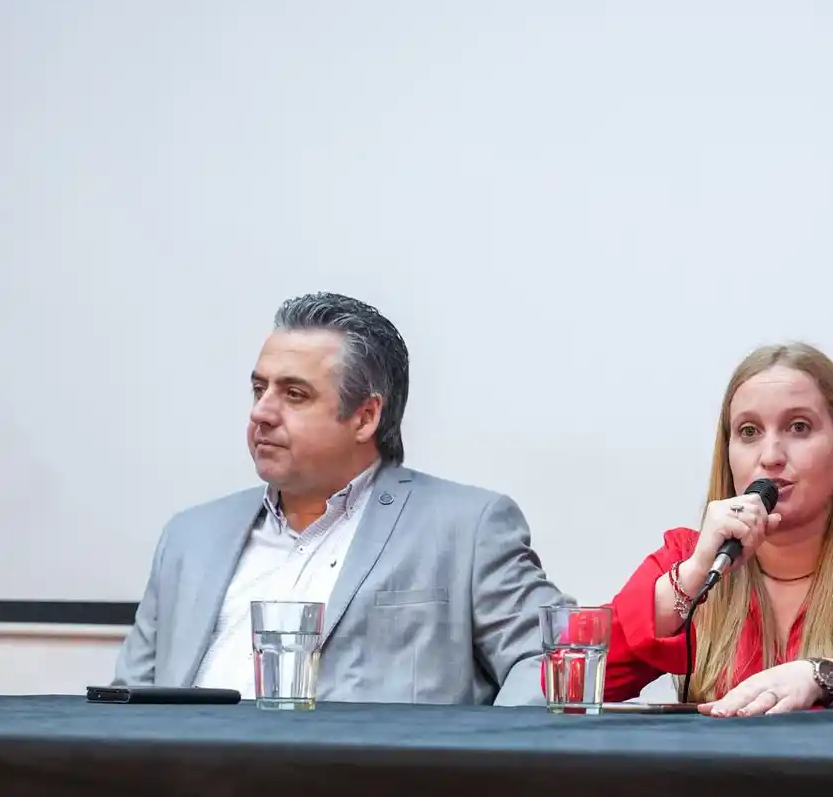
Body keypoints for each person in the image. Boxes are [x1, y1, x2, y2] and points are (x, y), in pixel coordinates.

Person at [113, 292, 569, 704]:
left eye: (294, 394)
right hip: (191, 783)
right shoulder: (189, 537)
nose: (261, 413)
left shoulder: (468, 528)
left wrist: (480, 768)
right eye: (259, 389)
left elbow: (552, 657)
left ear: (365, 417)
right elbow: (128, 699)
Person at [602, 342, 833, 716]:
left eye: (798, 427)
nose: (770, 457)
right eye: (749, 432)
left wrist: (823, 677)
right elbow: (571, 679)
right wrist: (692, 577)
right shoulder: (687, 558)